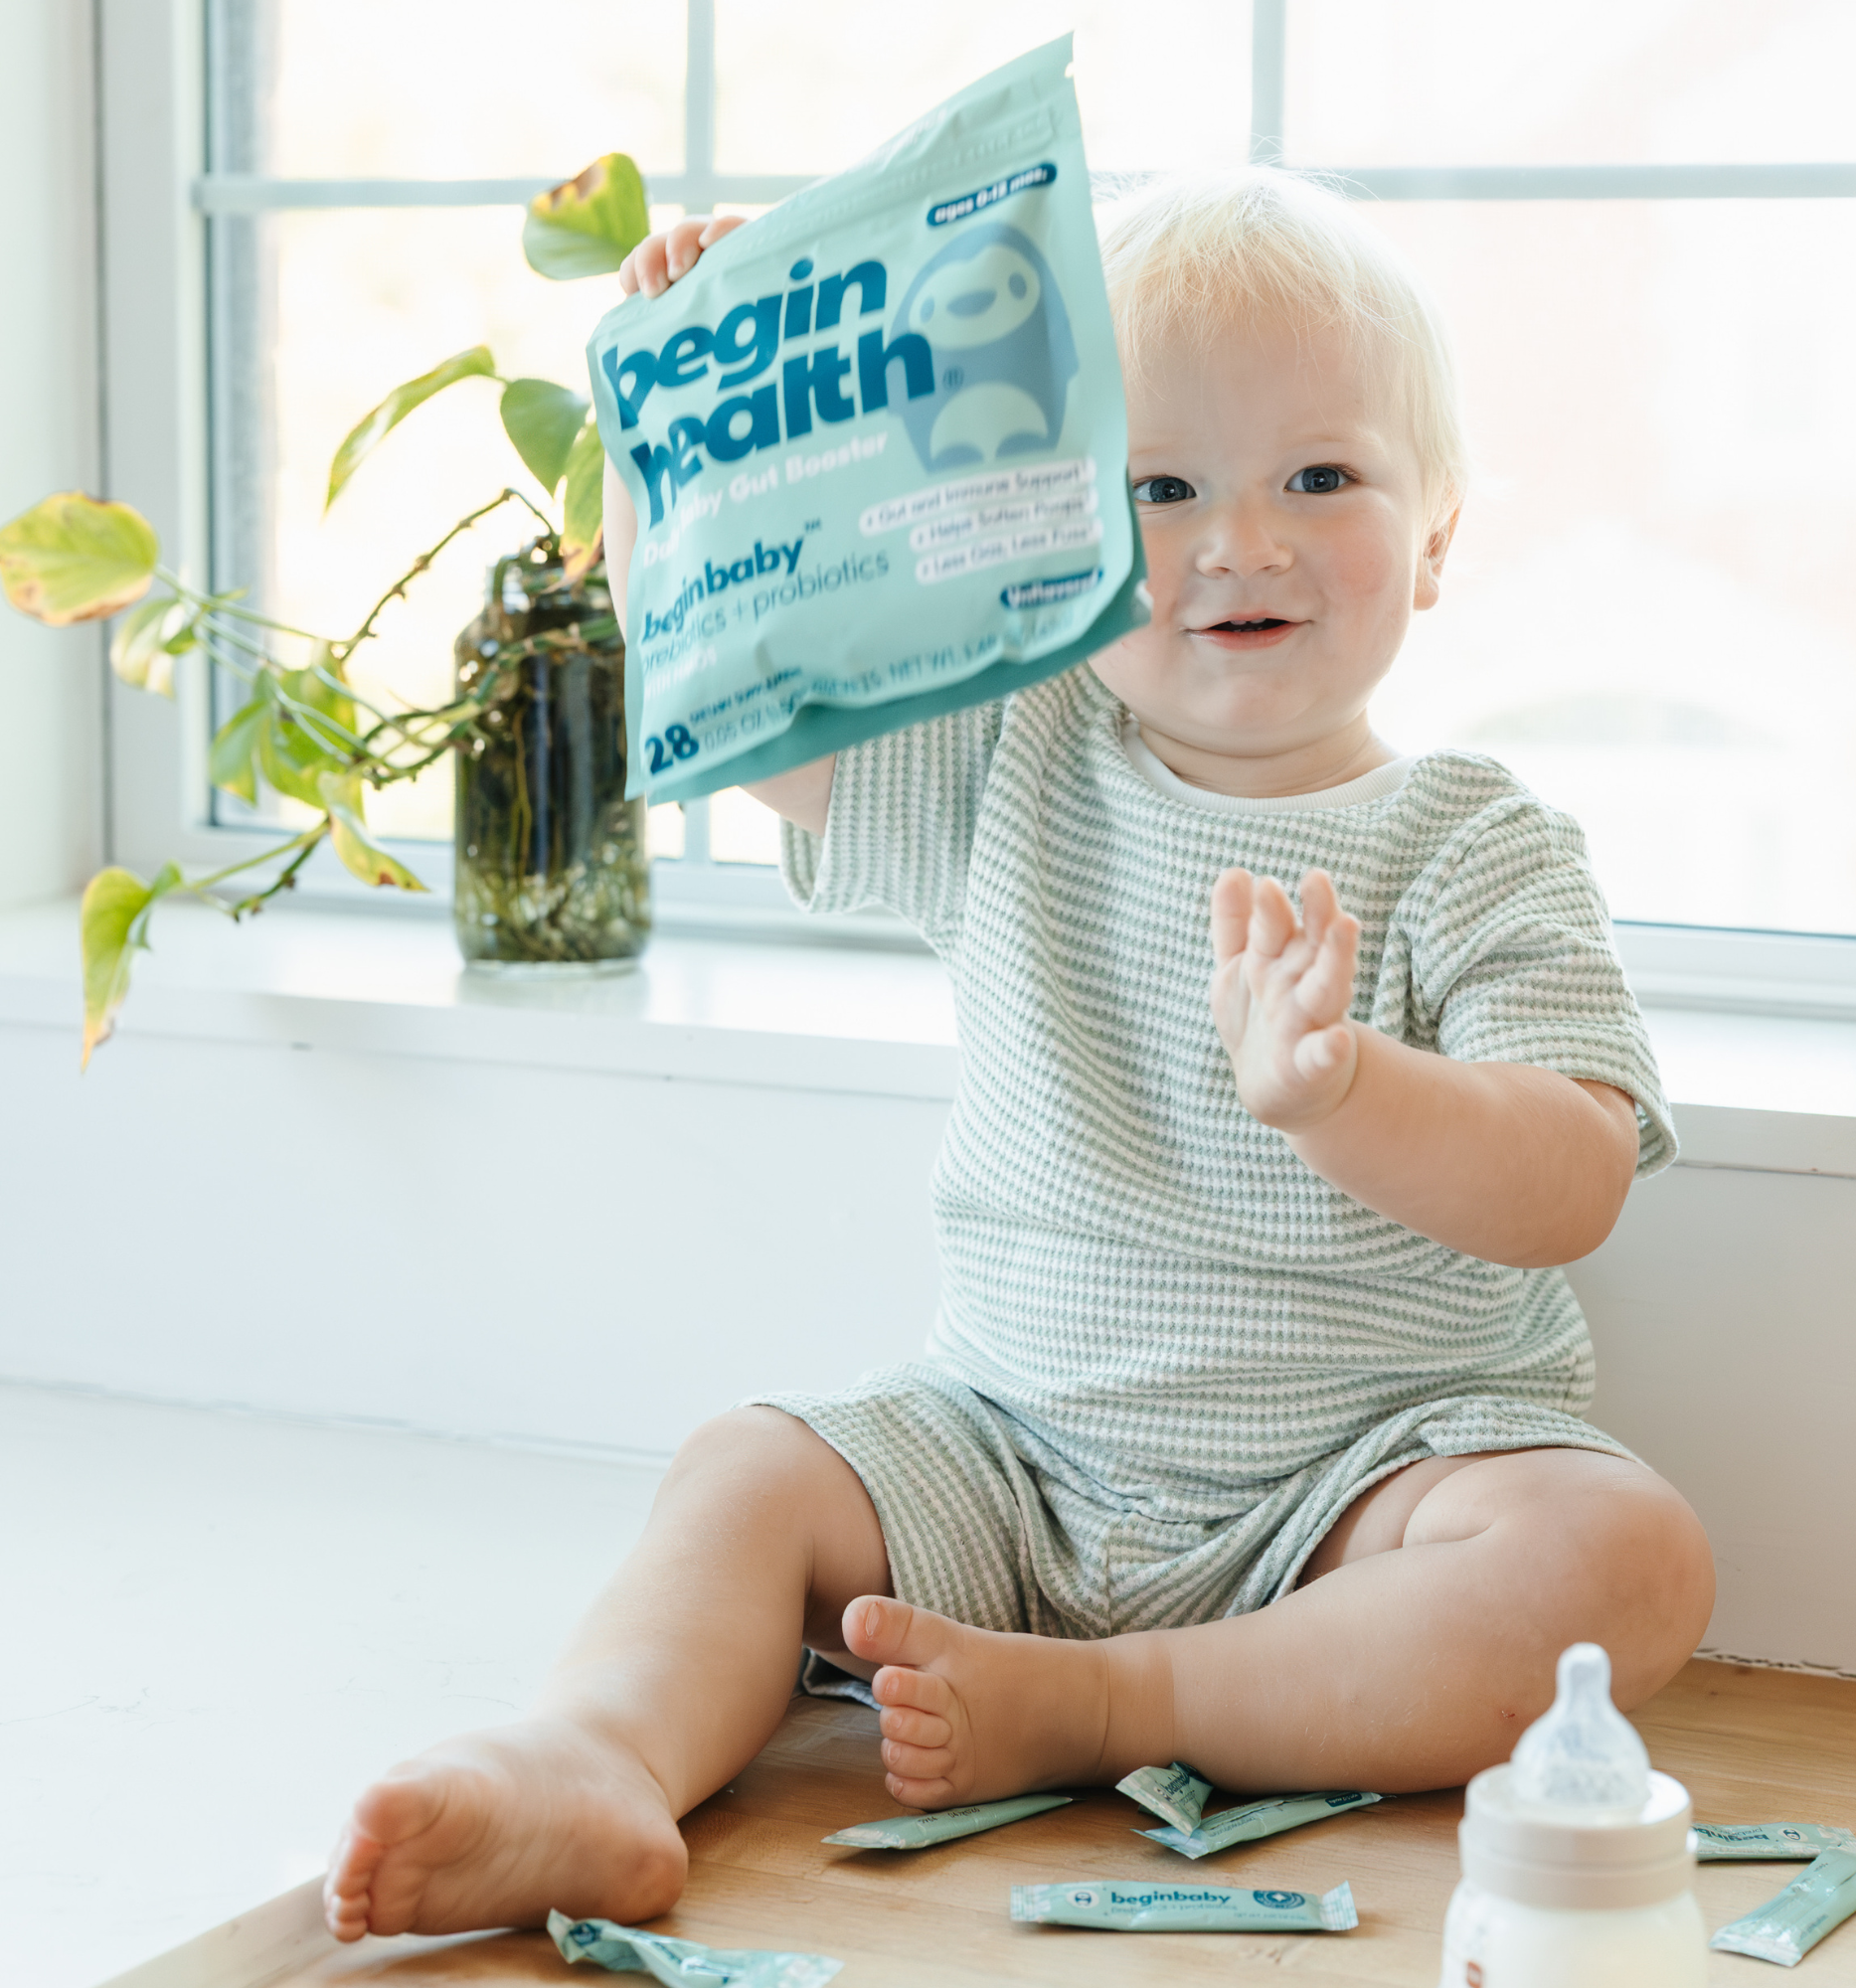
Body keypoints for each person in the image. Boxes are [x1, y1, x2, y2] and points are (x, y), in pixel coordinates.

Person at [324, 167, 1715, 1942]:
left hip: (1359, 1491)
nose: (1243, 540)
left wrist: (1346, 1091)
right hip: (1006, 1456)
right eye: (1158, 487)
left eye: (1321, 475)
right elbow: (770, 692)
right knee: (748, 1469)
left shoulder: (1475, 837)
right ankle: (595, 1755)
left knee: (1626, 1560)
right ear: (1053, 531)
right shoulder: (1010, 755)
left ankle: (1115, 1702)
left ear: (1438, 534)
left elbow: (1573, 1179)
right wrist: (707, 406)